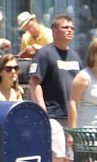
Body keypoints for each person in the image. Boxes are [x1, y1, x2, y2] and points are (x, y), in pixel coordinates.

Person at [29, 15, 82, 162]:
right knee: (57, 156)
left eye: (72, 28)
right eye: (65, 27)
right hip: (52, 116)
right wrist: (42, 110)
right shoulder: (44, 54)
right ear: (54, 31)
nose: (70, 31)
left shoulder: (76, 56)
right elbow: (34, 83)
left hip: (72, 117)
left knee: (71, 157)